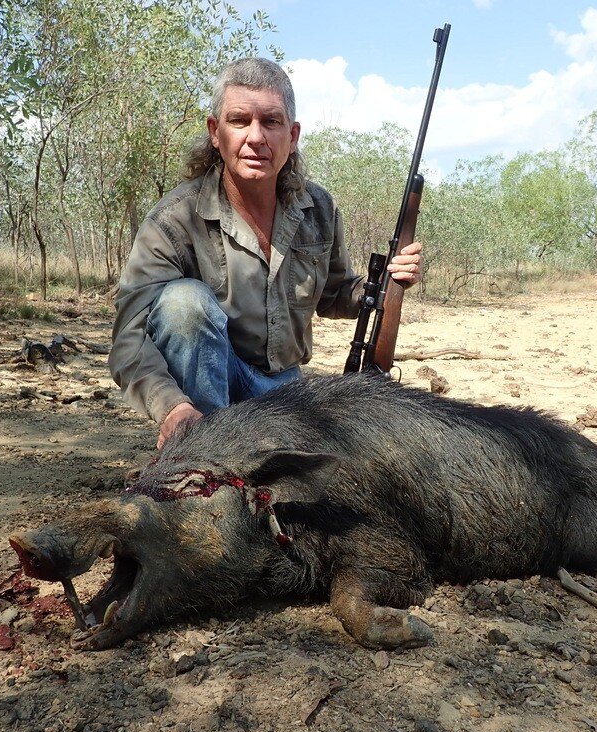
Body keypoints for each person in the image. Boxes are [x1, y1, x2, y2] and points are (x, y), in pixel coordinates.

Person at [109, 57, 423, 448]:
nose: (256, 137)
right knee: (182, 304)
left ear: (292, 136)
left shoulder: (318, 208)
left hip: (284, 392)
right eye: (239, 120)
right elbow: (129, 338)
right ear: (215, 132)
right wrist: (173, 408)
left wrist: (385, 284)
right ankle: (203, 451)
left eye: (271, 122)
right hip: (207, 393)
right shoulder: (174, 219)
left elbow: (336, 294)